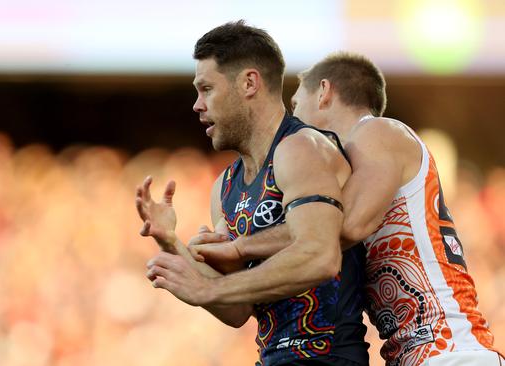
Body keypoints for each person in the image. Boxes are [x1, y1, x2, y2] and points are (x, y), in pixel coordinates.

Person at [192, 52, 502, 366]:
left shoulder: (376, 132)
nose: (292, 121)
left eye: (297, 105)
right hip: (420, 354)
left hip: (450, 351)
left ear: (324, 92)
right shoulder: (348, 168)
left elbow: (341, 229)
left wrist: (241, 247)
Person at [135, 21, 369, 366]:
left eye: (206, 89)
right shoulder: (225, 187)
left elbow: (321, 255)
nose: (197, 105)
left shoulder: (301, 147)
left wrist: (208, 289)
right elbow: (238, 311)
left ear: (249, 83)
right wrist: (172, 244)